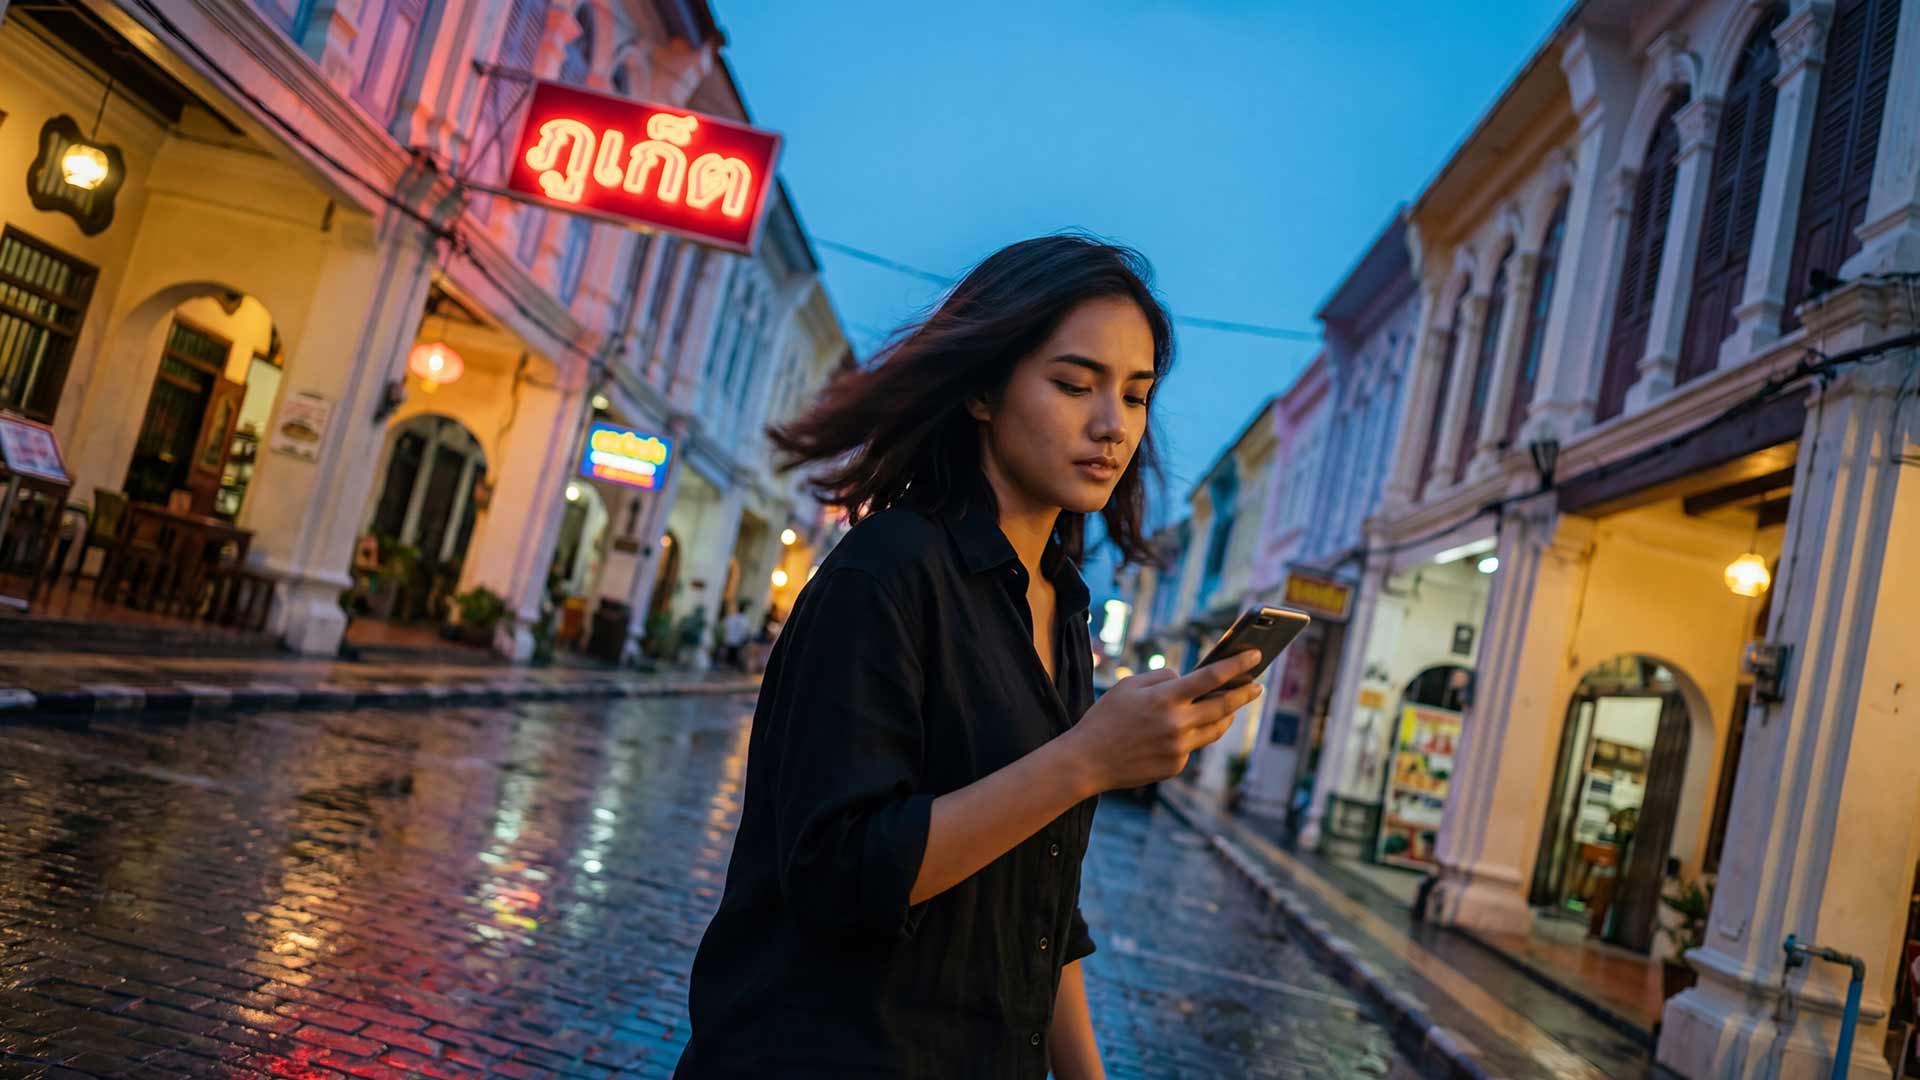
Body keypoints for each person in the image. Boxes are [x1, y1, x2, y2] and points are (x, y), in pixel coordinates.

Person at [673, 234, 1264, 1080]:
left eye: (1136, 397)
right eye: (1074, 384)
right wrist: (1088, 758)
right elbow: (842, 876)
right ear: (984, 389)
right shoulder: (887, 571)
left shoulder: (1063, 602)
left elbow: (1043, 897)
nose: (1113, 426)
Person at [719, 601, 752, 671]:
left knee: (728, 657)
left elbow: (723, 626)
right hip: (737, 641)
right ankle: (730, 669)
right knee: (733, 658)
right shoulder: (744, 619)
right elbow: (745, 631)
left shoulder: (731, 617)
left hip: (728, 640)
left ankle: (726, 668)